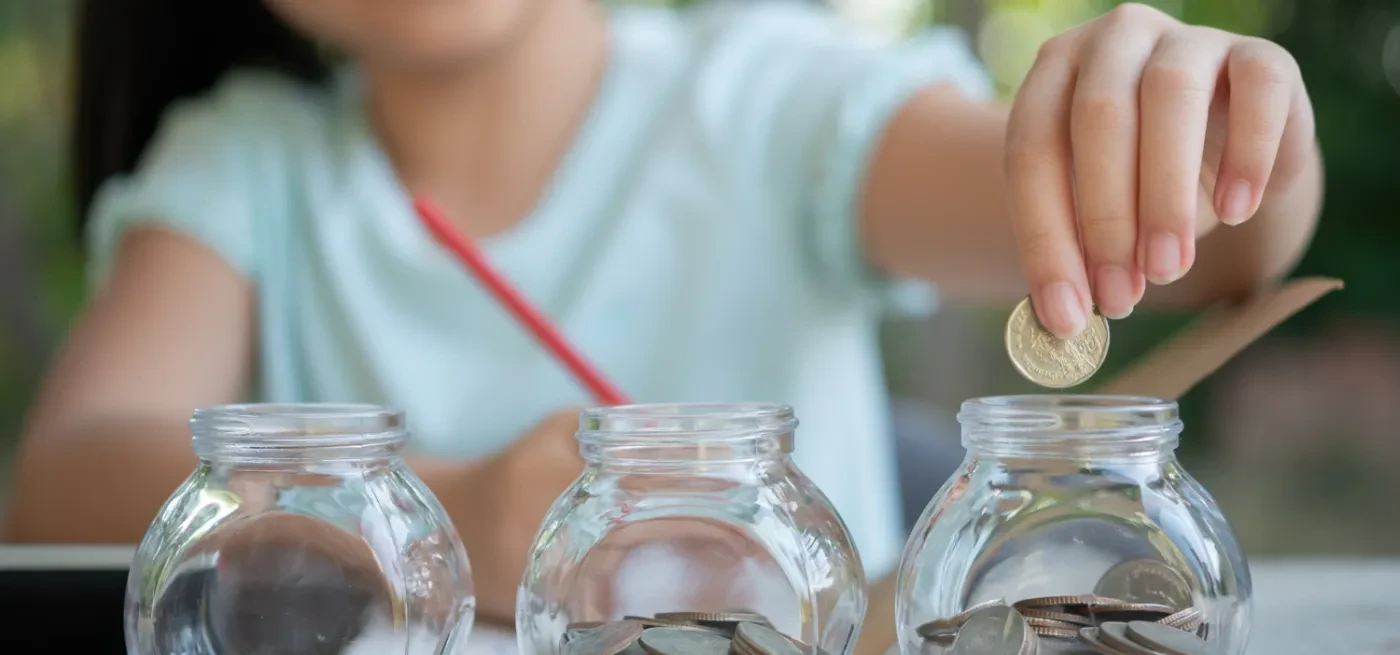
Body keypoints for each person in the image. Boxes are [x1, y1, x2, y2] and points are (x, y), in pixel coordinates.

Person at [2, 0, 1321, 624]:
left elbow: (1210, 244)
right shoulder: (246, 162)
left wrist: (1213, 132)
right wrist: (447, 505)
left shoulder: (775, 98)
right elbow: (59, 482)